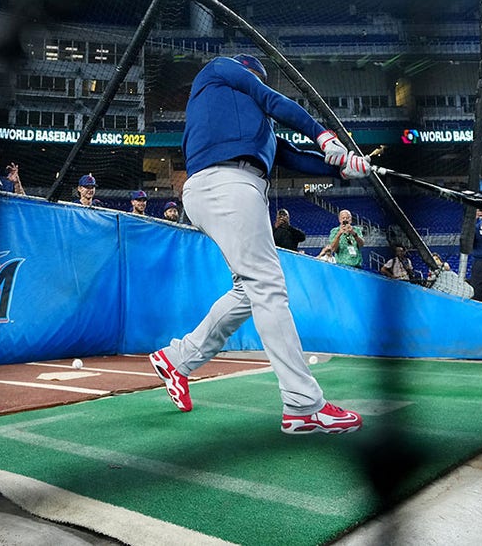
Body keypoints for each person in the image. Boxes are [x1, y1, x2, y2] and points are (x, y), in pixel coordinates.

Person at [149, 53, 371, 435]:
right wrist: (325, 134)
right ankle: (303, 405)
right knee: (268, 287)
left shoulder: (256, 127)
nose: (256, 84)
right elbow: (272, 99)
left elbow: (295, 157)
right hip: (228, 183)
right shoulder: (220, 70)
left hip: (222, 188)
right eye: (255, 78)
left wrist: (343, 168)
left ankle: (178, 358)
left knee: (249, 289)